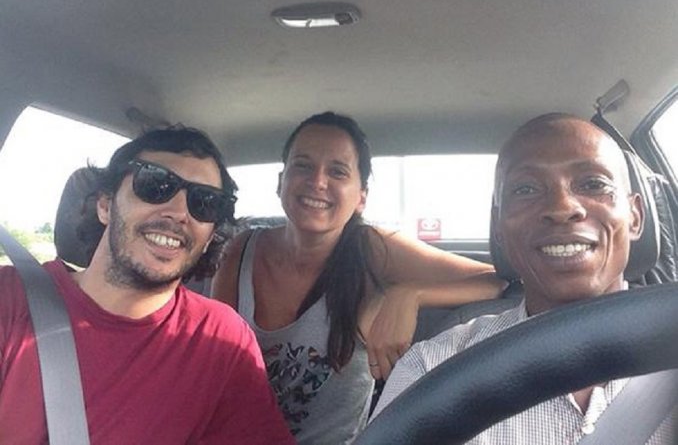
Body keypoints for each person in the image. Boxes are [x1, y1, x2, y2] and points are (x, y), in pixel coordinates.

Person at [372, 113, 675, 443]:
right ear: (499, 228)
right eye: (526, 189)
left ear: (635, 216)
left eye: (593, 184)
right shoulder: (432, 370)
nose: (562, 207)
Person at [211, 111, 506, 444]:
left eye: (337, 171)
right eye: (303, 166)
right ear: (281, 181)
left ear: (361, 197)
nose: (317, 181)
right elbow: (216, 368)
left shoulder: (372, 249)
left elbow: (498, 281)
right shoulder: (240, 250)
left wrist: (410, 294)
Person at [0, 127, 295, 444]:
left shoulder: (221, 338)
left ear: (210, 237)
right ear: (106, 205)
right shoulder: (10, 298)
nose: (179, 213)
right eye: (155, 185)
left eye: (204, 202)